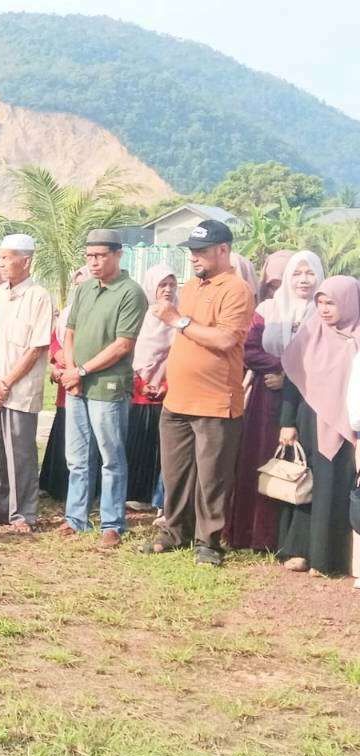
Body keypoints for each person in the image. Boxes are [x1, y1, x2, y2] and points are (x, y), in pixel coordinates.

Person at [142, 220, 255, 565]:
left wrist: (177, 319)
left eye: (201, 251)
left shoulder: (236, 290)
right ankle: (175, 531)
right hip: (178, 398)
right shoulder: (191, 288)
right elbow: (182, 339)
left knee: (212, 477)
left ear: (223, 250)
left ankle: (208, 542)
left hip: (215, 401)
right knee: (175, 472)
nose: (193, 258)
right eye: (191, 251)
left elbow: (224, 339)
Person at [57, 230, 148, 548]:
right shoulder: (83, 289)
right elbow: (70, 332)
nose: (94, 262)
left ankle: (112, 523)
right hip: (77, 384)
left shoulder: (131, 292)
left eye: (100, 255)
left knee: (111, 456)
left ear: (117, 254)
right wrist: (71, 370)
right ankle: (75, 518)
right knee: (77, 457)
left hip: (108, 386)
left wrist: (82, 370)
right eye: (89, 256)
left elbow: (123, 345)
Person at [277, 277, 360, 576]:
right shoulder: (311, 332)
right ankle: (300, 549)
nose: (324, 310)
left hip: (347, 426)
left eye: (332, 303)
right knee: (307, 485)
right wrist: (287, 422)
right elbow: (293, 380)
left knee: (338, 488)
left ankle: (330, 559)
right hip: (310, 419)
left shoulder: (357, 337)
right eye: (321, 303)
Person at [0, 234, 53, 533]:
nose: (2, 263)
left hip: (19, 390)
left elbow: (36, 348)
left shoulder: (39, 296)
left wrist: (4, 384)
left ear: (26, 260)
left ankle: (23, 514)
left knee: (20, 452)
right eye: (1, 257)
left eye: (7, 257)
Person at [224, 252, 301, 549]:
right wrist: (279, 368)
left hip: (307, 401)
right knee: (259, 459)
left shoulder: (318, 311)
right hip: (266, 401)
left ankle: (289, 540)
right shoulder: (268, 310)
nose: (296, 282)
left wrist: (288, 375)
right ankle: (253, 534)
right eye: (277, 282)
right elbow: (248, 349)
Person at [125, 264, 178, 511]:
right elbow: (129, 352)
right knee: (138, 440)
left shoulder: (179, 318)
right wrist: (142, 383)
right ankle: (136, 493)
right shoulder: (140, 316)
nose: (167, 290)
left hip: (169, 391)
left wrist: (165, 383)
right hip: (139, 391)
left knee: (162, 446)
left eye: (171, 284)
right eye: (162, 285)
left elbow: (180, 355)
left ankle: (158, 497)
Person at [39, 267, 93, 501]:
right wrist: (58, 360)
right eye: (77, 285)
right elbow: (54, 339)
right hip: (65, 381)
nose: (80, 289)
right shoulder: (68, 312)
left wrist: (72, 365)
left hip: (87, 379)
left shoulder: (96, 312)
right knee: (64, 429)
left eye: (85, 284)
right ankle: (56, 484)